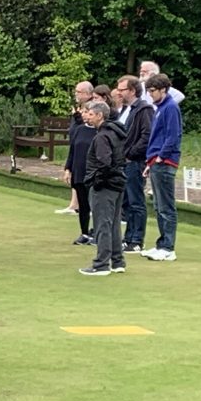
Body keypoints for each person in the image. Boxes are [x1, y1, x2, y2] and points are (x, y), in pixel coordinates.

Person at [80, 102, 128, 276]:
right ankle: (117, 261)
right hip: (117, 183)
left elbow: (104, 163)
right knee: (113, 223)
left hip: (105, 185)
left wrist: (97, 181)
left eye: (91, 114)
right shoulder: (116, 133)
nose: (88, 117)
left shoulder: (102, 137)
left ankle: (101, 264)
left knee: (102, 224)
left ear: (100, 115)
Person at [142, 74, 183, 261]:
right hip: (156, 162)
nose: (150, 95)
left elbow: (172, 136)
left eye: (152, 91)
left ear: (163, 90)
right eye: (148, 91)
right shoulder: (160, 108)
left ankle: (168, 248)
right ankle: (162, 244)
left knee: (166, 206)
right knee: (159, 206)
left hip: (165, 162)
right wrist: (151, 163)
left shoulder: (170, 107)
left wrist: (160, 158)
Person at [116, 75, 154, 252]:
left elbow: (146, 136)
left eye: (122, 89)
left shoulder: (144, 109)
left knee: (136, 201)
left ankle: (137, 239)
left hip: (135, 162)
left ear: (132, 91)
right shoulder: (126, 109)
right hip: (124, 162)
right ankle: (128, 237)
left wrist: (130, 154)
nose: (118, 92)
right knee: (127, 201)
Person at [64, 86, 98, 245]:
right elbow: (73, 149)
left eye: (88, 113)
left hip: (93, 173)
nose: (85, 116)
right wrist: (67, 168)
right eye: (84, 113)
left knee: (95, 204)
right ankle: (84, 233)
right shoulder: (79, 129)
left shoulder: (100, 132)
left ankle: (97, 234)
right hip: (78, 171)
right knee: (83, 206)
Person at [56, 82, 95, 215]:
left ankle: (84, 206)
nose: (76, 95)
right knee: (75, 175)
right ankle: (74, 204)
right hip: (76, 144)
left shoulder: (92, 107)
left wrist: (79, 118)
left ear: (88, 94)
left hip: (86, 147)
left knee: (82, 176)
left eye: (79, 92)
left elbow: (87, 126)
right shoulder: (79, 107)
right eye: (76, 92)